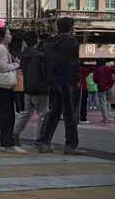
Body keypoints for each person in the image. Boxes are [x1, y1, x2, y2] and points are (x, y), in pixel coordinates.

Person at [40, 17, 84, 155]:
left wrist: (49, 80)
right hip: (67, 82)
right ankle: (70, 145)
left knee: (55, 112)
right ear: (71, 27)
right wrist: (76, 80)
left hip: (54, 82)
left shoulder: (50, 43)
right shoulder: (72, 41)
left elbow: (45, 64)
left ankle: (44, 143)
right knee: (70, 114)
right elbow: (74, 63)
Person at [13, 31, 49, 147]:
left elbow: (23, 70)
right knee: (42, 114)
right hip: (40, 88)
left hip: (28, 87)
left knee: (26, 112)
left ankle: (15, 134)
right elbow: (44, 73)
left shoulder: (23, 55)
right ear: (36, 41)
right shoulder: (39, 56)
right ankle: (40, 139)